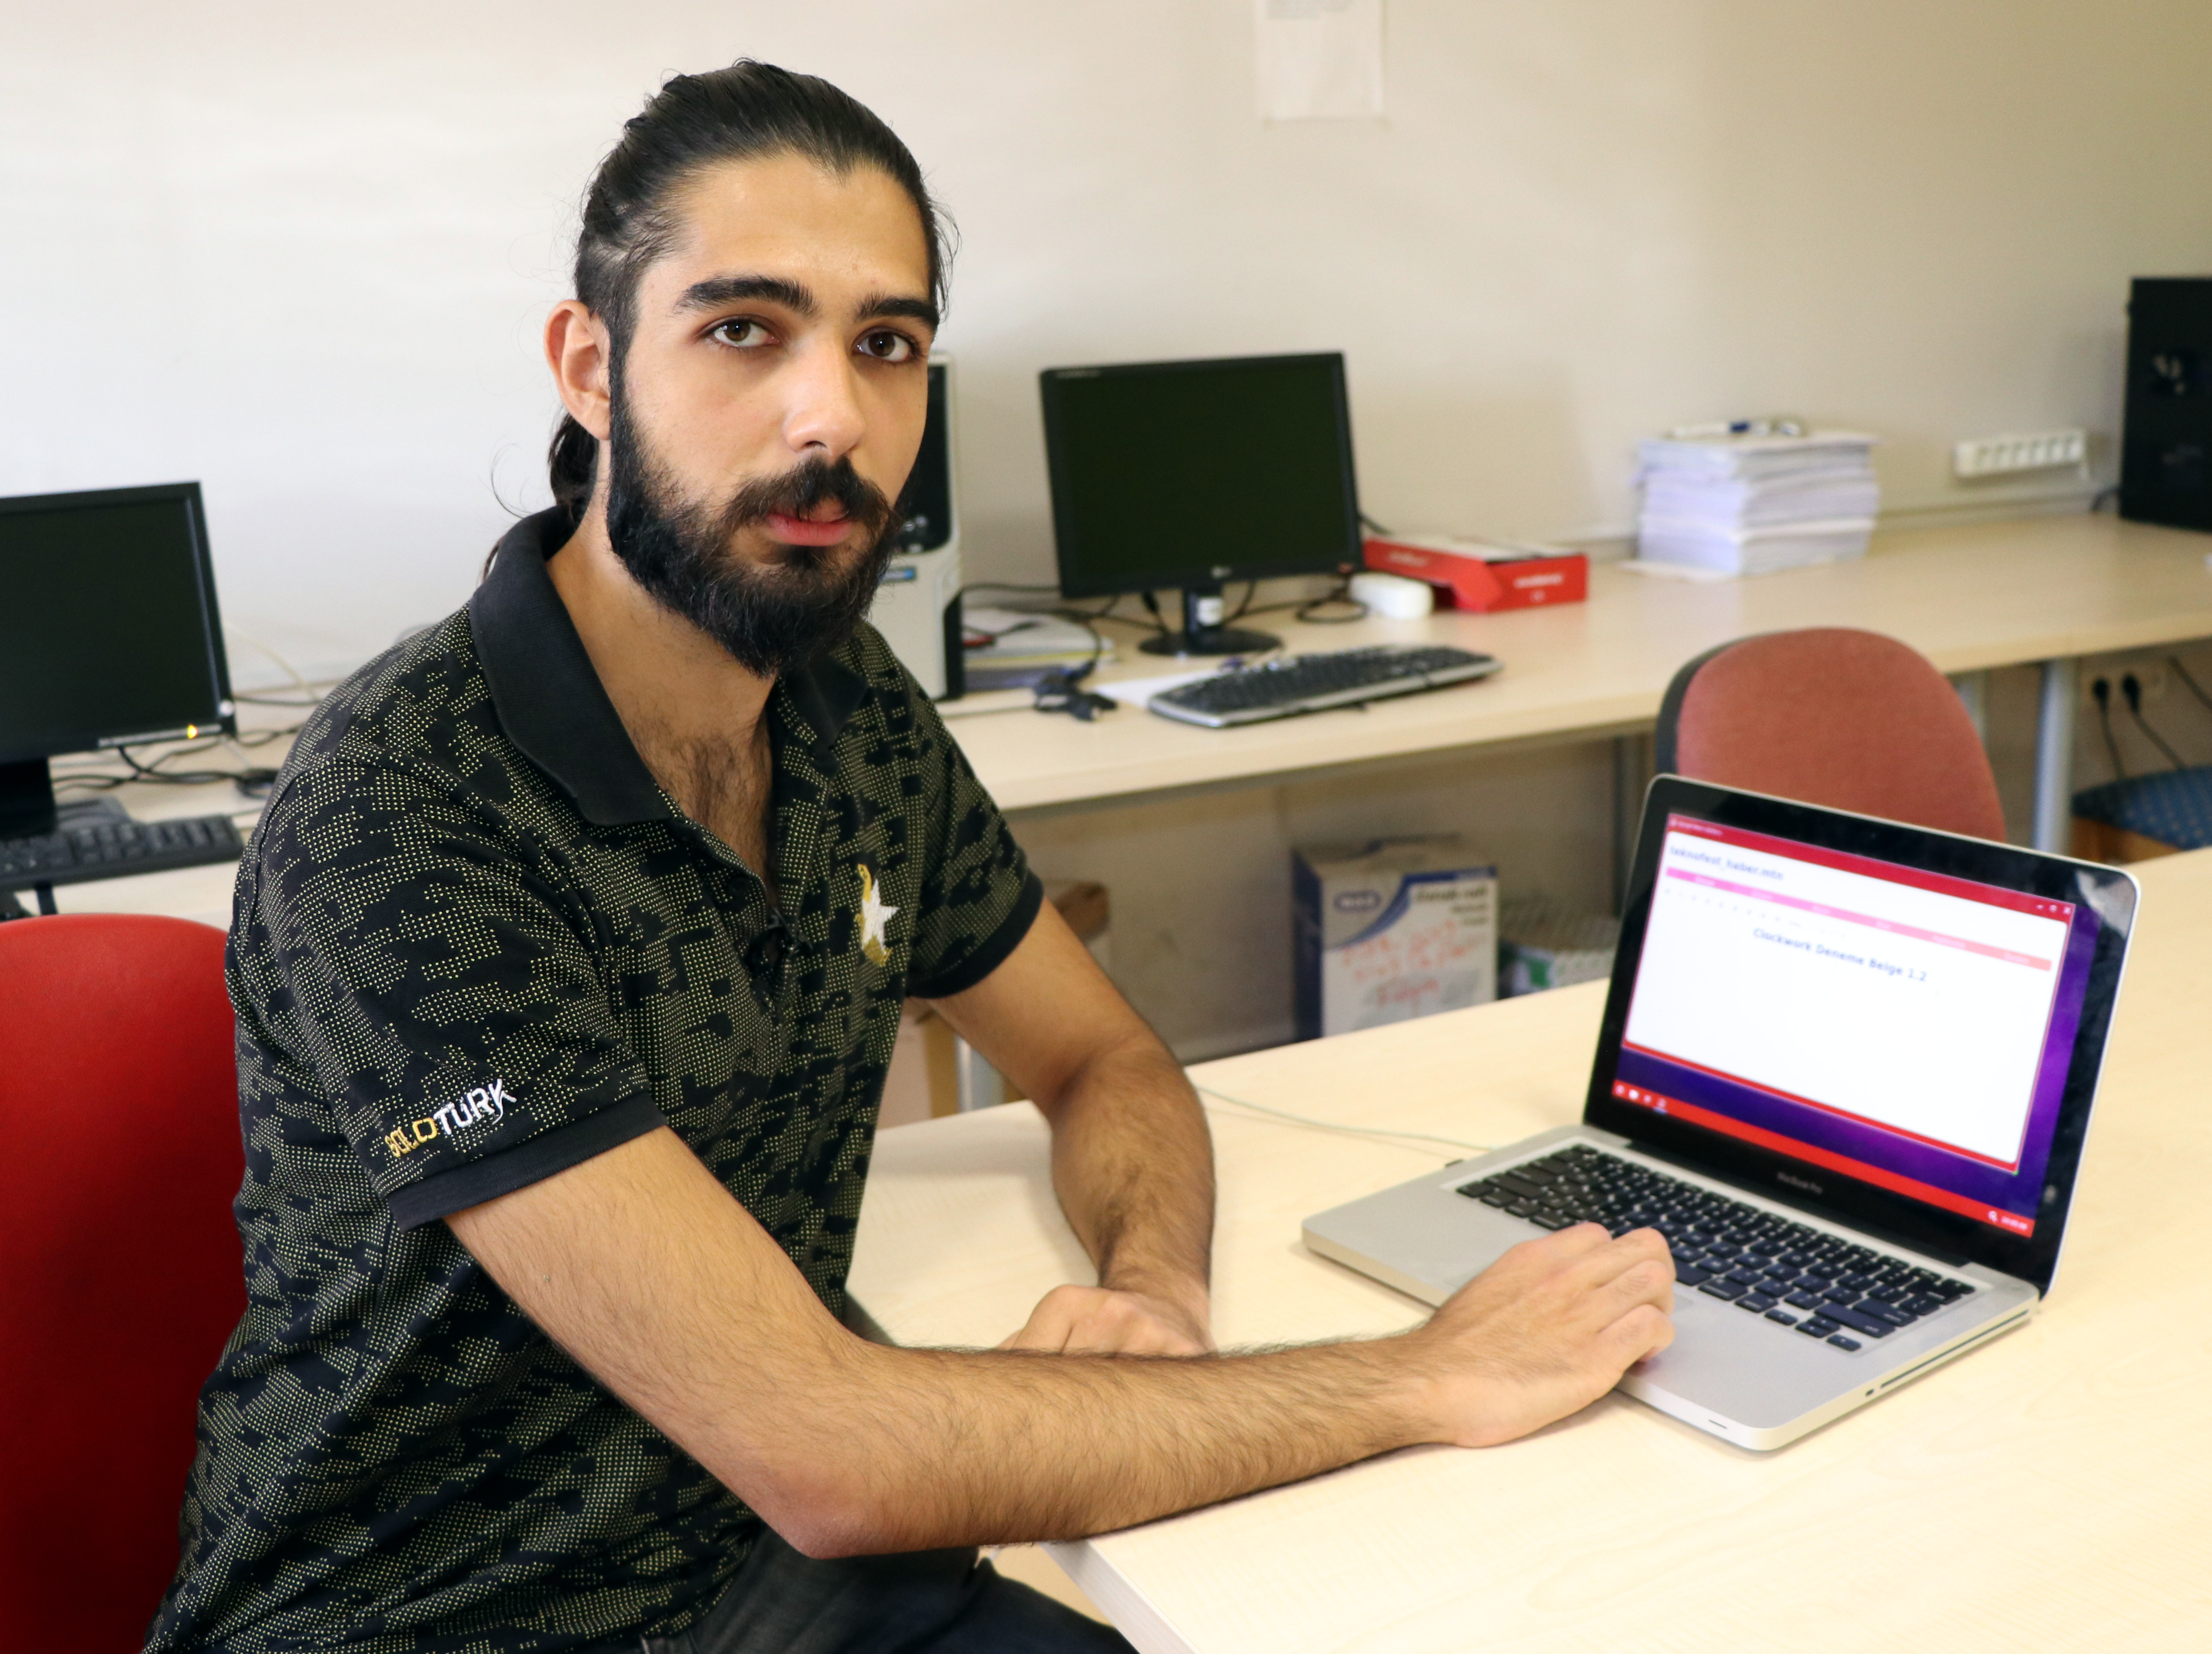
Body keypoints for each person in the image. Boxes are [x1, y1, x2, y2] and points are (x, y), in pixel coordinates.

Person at [148, 61, 1676, 1654]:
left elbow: (1099, 1058)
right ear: (591, 370)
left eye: (886, 345)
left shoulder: (844, 702)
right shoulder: (407, 808)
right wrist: (1427, 1376)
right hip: (447, 1616)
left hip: (768, 1562)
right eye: (745, 331)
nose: (835, 418)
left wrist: (1155, 1291)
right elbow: (829, 1453)